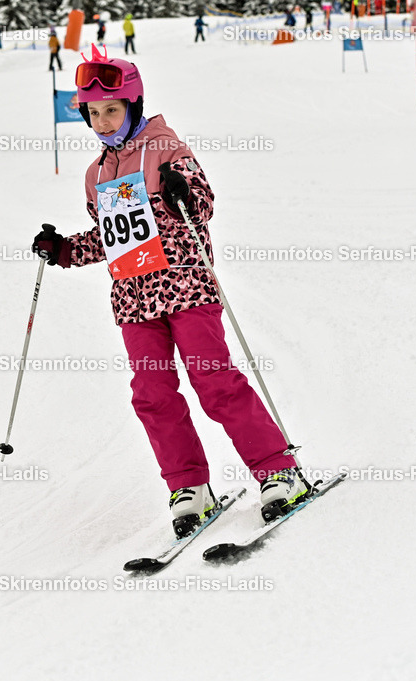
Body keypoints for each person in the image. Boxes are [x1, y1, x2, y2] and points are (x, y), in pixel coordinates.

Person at [31, 46, 309, 538]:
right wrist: (66, 250)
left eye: (111, 110)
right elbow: (110, 237)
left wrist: (182, 188)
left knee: (215, 383)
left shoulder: (167, 149)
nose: (101, 122)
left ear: (134, 104)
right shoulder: (97, 173)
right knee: (152, 395)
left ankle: (278, 471)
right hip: (135, 302)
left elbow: (202, 203)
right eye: (92, 113)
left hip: (185, 287)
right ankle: (189, 486)